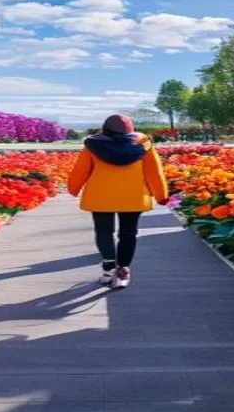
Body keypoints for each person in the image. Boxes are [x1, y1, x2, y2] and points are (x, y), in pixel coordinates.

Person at [67, 114, 168, 289]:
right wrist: (161, 196)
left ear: (105, 128)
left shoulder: (93, 145)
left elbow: (80, 171)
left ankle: (108, 268)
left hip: (100, 196)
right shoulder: (143, 145)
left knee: (104, 233)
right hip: (134, 196)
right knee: (128, 234)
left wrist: (73, 189)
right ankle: (123, 270)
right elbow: (154, 173)